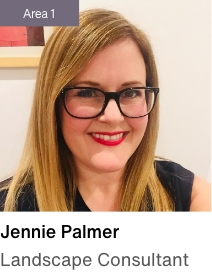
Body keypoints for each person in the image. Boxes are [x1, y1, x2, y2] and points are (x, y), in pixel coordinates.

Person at [0, 9, 211, 211]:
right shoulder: (11, 209)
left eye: (130, 93)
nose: (112, 116)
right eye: (87, 93)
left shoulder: (187, 195)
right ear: (52, 104)